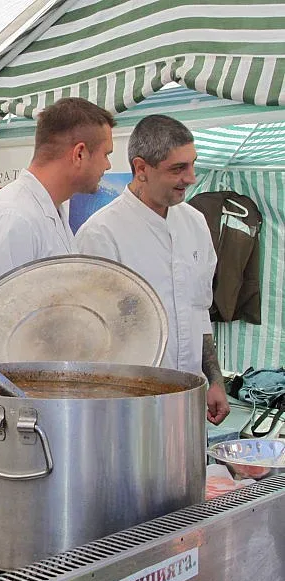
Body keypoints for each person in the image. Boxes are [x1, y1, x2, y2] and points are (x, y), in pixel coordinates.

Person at [76, 114, 230, 425]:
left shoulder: (195, 223)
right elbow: (91, 340)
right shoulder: (101, 235)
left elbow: (199, 311)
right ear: (141, 168)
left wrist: (214, 379)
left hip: (189, 399)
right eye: (178, 168)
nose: (191, 178)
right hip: (130, 410)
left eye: (192, 164)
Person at [0, 97, 116, 305]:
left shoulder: (49, 211)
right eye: (106, 154)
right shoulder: (11, 218)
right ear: (79, 154)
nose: (108, 165)